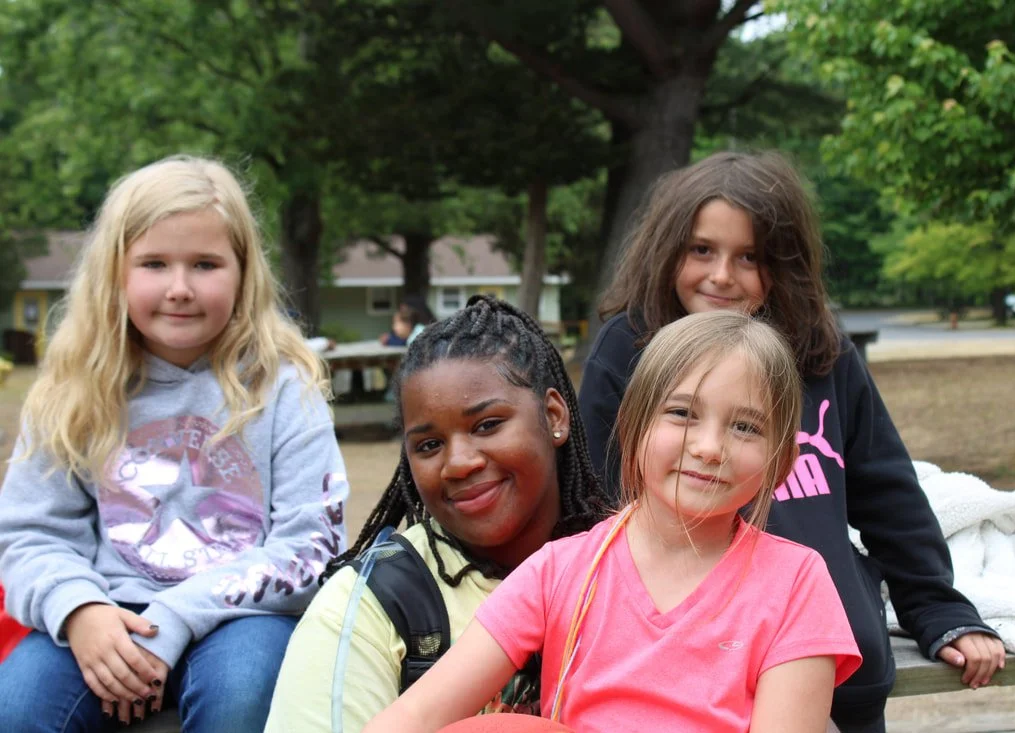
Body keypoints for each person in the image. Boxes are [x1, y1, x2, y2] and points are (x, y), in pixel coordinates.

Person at [578, 151, 1005, 732]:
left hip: (835, 666)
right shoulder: (626, 349)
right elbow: (598, 510)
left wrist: (938, 608)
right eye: (701, 249)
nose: (722, 275)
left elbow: (888, 492)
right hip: (689, 673)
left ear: (784, 264)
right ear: (667, 249)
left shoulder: (820, 350)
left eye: (749, 256)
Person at [365, 310, 863, 733]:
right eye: (683, 413)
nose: (710, 447)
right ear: (632, 428)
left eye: (745, 426)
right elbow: (416, 714)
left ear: (780, 463)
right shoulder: (559, 571)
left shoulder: (796, 583)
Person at [0, 155, 349, 732]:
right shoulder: (71, 390)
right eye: (154, 264)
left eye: (206, 264)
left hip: (242, 616)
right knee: (17, 707)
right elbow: (31, 534)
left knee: (244, 695)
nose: (180, 288)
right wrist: (81, 612)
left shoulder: (286, 386)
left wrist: (176, 617)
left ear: (243, 272)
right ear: (116, 273)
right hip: (107, 614)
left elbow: (312, 545)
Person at [265, 295, 606, 733]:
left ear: (554, 415)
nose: (459, 462)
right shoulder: (368, 607)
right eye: (428, 445)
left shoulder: (640, 565)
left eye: (487, 425)